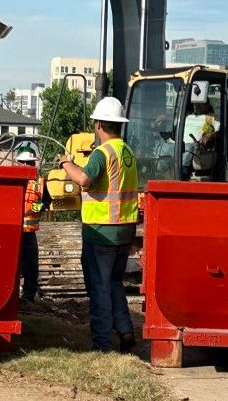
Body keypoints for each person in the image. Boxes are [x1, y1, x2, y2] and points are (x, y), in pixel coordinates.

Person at [60, 97, 138, 352]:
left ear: (98, 126)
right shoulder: (127, 152)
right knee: (114, 283)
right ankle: (125, 331)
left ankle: (102, 345)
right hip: (124, 230)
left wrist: (65, 163)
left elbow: (83, 178)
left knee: (99, 288)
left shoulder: (102, 153)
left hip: (101, 232)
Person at [15, 143, 46, 303]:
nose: (27, 166)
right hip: (12, 233)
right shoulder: (11, 180)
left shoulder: (39, 183)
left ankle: (28, 296)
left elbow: (46, 203)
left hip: (28, 233)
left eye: (30, 163)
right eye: (24, 163)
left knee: (31, 266)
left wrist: (35, 207)